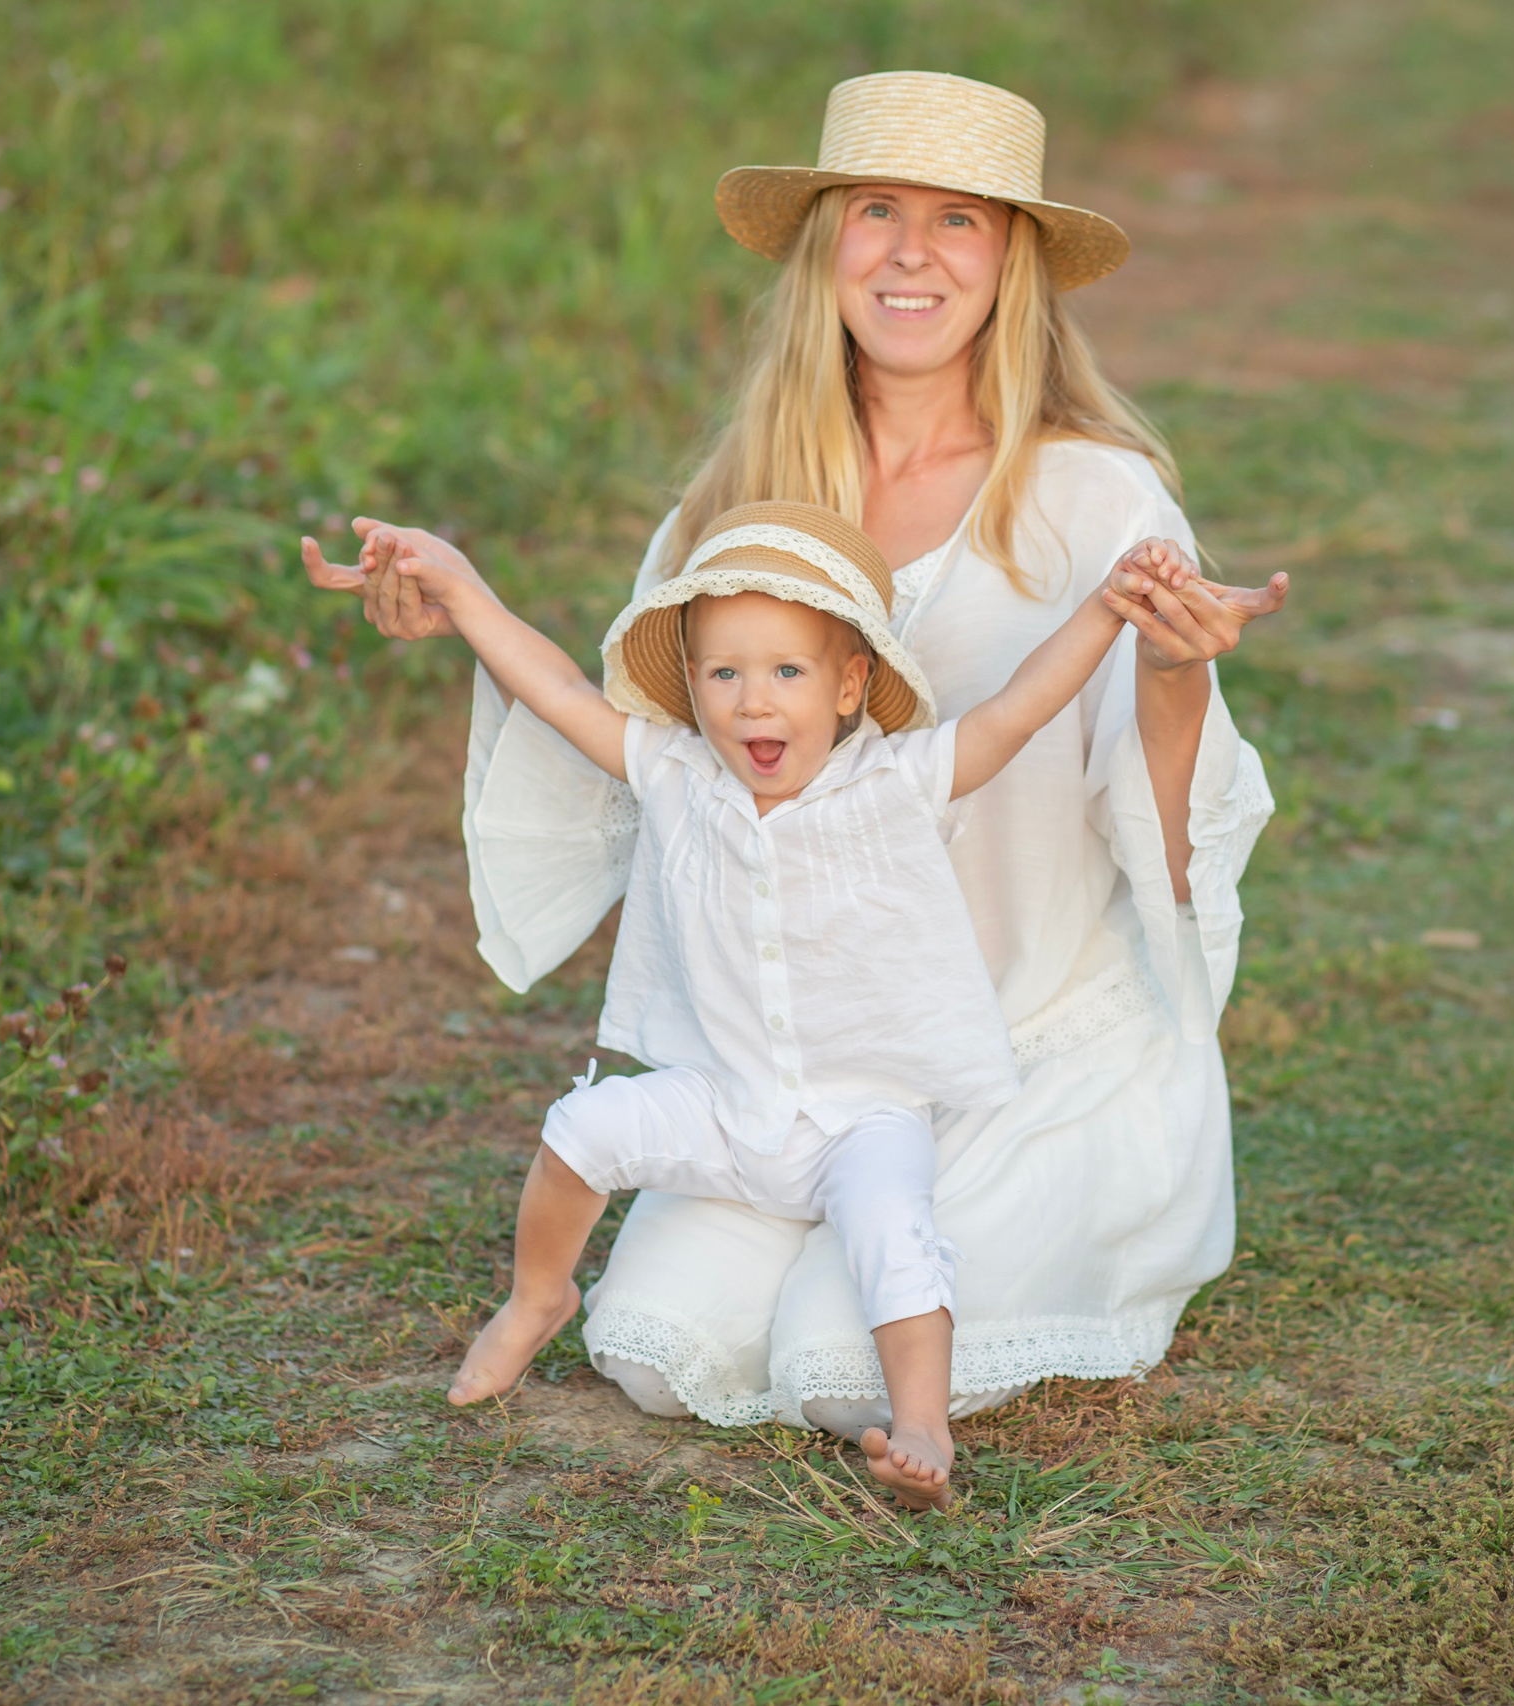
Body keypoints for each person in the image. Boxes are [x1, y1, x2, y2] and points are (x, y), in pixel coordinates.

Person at [306, 70, 1287, 1439]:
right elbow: (639, 744)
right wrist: (452, 600)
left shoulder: (1091, 497)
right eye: (875, 209)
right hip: (787, 1071)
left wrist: (1174, 675)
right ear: (826, 243)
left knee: (842, 1364)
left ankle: (1022, 1229)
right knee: (649, 1343)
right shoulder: (744, 502)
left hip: (1017, 1047)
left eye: (959, 219)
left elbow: (1165, 841)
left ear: (1012, 262)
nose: (909, 253)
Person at [349, 498, 1203, 1504]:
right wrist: (462, 589)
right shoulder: (675, 773)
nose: (754, 703)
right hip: (729, 1100)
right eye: (725, 673)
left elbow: (1018, 706)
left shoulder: (899, 779)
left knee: (895, 1232)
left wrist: (1108, 609)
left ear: (848, 686)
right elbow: (559, 688)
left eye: (787, 672)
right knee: (581, 1126)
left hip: (862, 1116)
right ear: (695, 687)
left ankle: (921, 1421)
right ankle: (538, 1295)